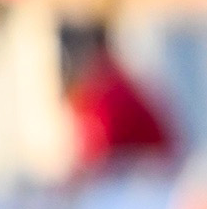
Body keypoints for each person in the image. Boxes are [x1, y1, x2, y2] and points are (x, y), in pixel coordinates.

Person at [61, 23, 176, 176]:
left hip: (148, 178)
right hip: (140, 173)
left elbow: (100, 153)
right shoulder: (107, 85)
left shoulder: (110, 89)